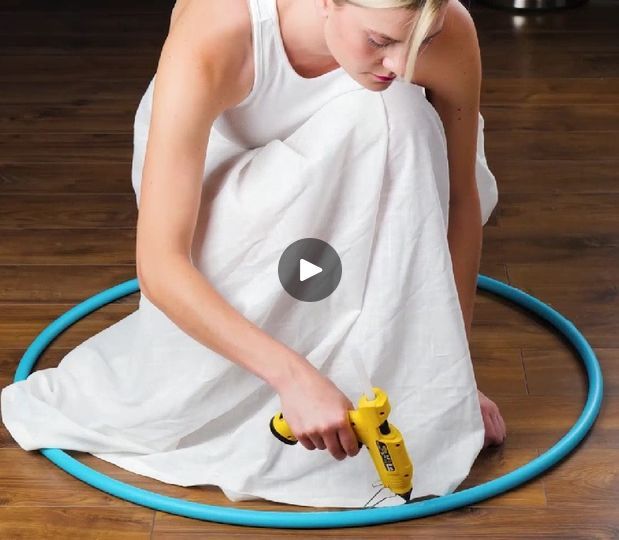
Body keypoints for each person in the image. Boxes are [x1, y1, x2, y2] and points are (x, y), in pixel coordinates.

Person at [1, 0, 505, 507]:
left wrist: (448, 377)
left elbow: (460, 200)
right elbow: (160, 264)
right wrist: (292, 376)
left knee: (401, 112)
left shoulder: (444, 30)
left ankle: (369, 355)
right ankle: (295, 356)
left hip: (341, 190)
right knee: (385, 109)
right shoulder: (220, 27)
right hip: (225, 213)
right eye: (379, 41)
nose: (398, 64)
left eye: (417, 43)